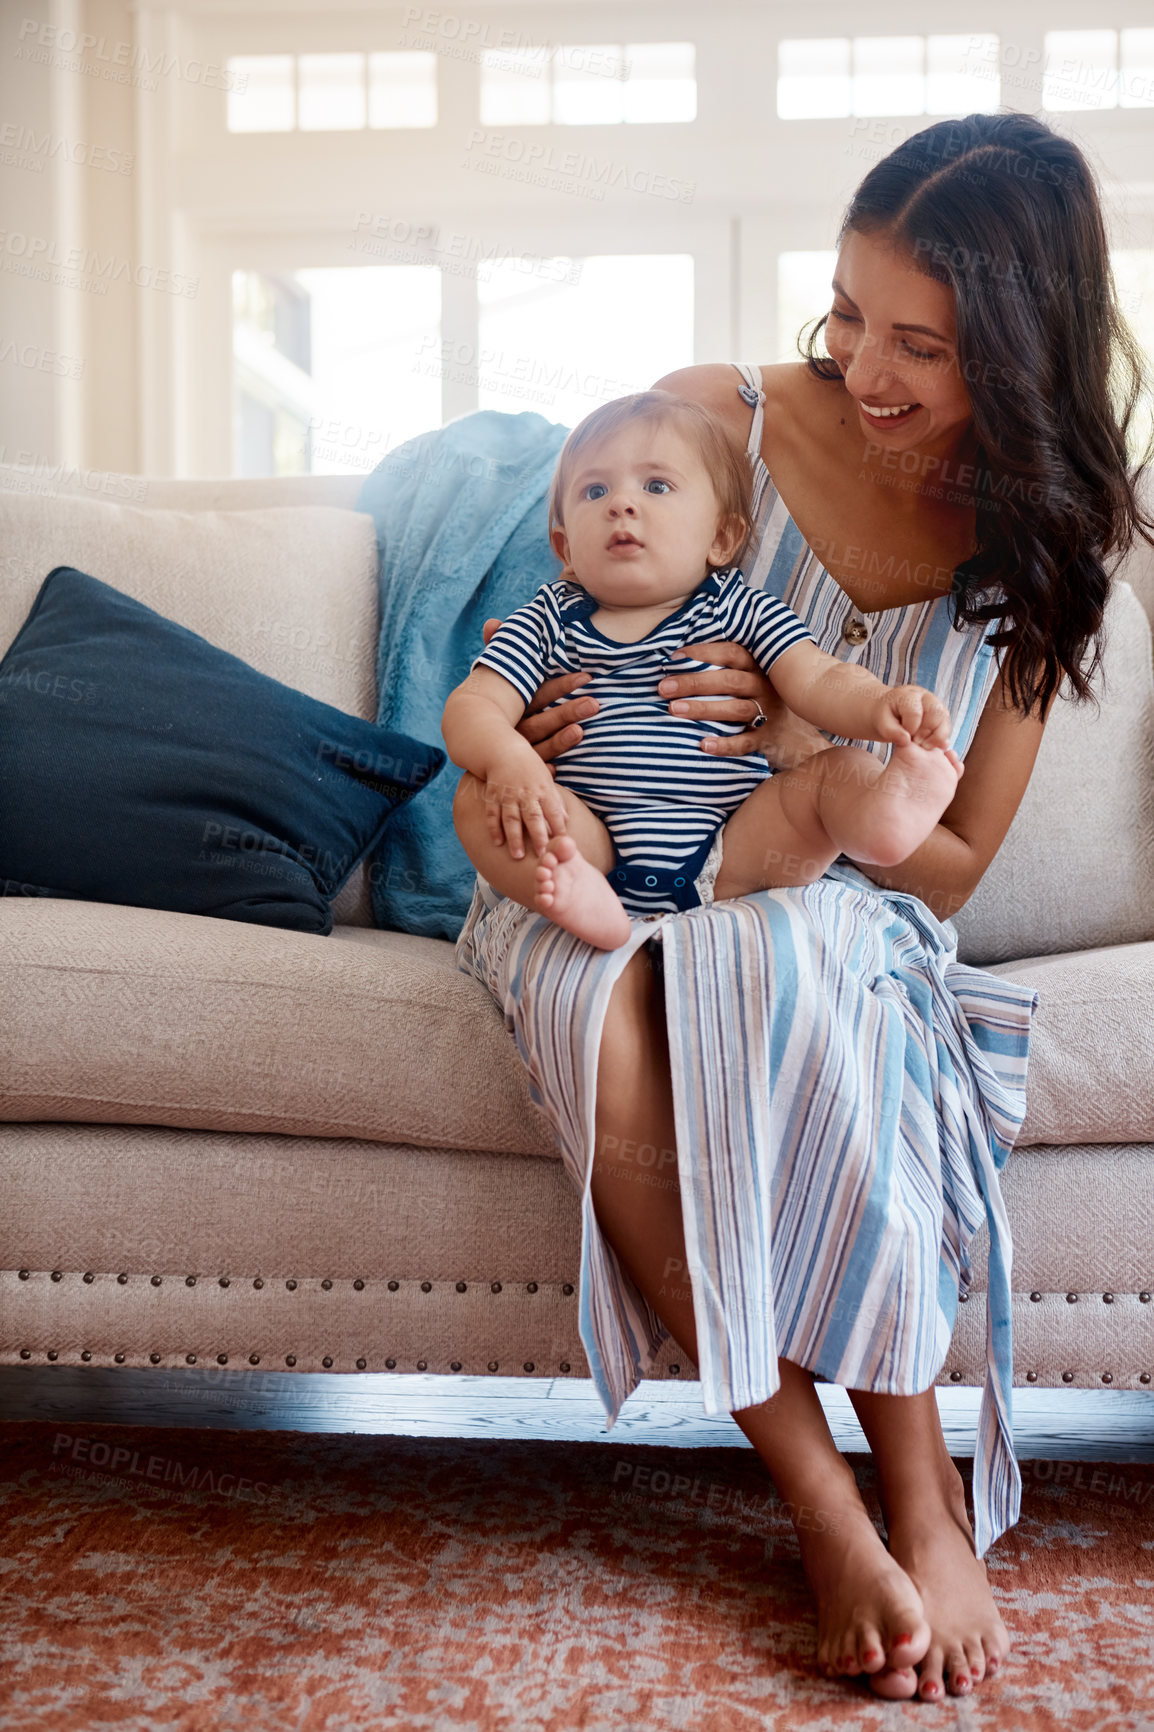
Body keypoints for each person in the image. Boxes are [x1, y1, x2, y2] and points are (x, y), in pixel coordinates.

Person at [454, 112, 1151, 1701]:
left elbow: (957, 857)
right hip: (598, 878)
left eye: (923, 342)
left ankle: (924, 1491)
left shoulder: (1041, 541)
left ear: (1026, 354)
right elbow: (538, 654)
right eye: (846, 313)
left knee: (808, 953)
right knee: (617, 1002)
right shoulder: (715, 424)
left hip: (819, 879)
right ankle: (825, 1502)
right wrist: (542, 762)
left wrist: (796, 741)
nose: (865, 367)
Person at [443, 391, 964, 950]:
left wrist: (881, 705)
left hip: (731, 853)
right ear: (565, 546)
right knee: (477, 797)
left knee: (837, 771)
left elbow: (818, 677)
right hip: (587, 844)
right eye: (595, 490)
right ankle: (577, 897)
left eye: (656, 486)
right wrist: (508, 757)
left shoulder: (737, 607)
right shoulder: (547, 618)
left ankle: (886, 816)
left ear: (721, 537)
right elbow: (474, 706)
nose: (621, 504)